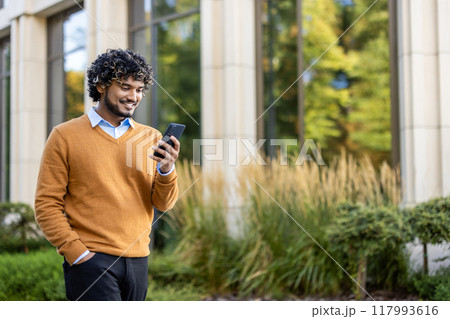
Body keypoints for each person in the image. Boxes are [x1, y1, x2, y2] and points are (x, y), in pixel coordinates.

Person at [35, 48, 180, 301]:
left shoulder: (151, 137)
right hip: (92, 261)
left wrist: (166, 170)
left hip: (138, 260)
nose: (133, 96)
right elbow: (46, 204)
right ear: (101, 85)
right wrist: (77, 253)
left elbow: (163, 204)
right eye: (125, 87)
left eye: (139, 90)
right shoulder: (65, 135)